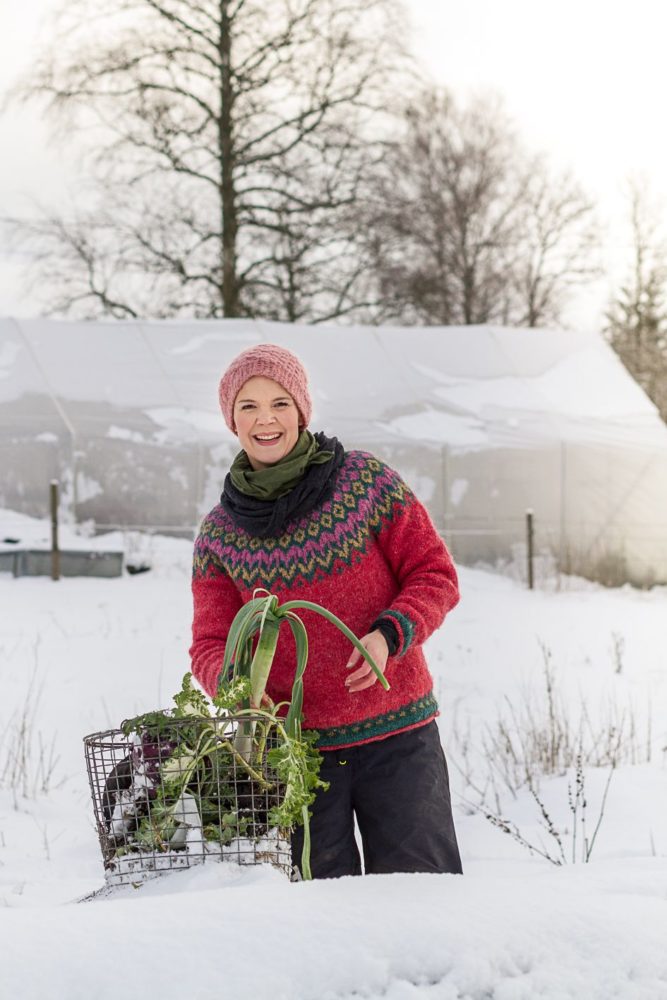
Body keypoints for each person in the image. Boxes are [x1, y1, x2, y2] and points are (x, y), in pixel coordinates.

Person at [189, 343, 463, 878]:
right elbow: (209, 643)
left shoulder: (363, 483)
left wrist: (391, 634)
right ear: (231, 420)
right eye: (248, 406)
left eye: (279, 403)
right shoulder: (220, 534)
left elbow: (434, 573)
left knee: (423, 895)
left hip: (399, 736)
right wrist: (235, 685)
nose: (265, 419)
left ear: (302, 410)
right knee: (323, 914)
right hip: (298, 755)